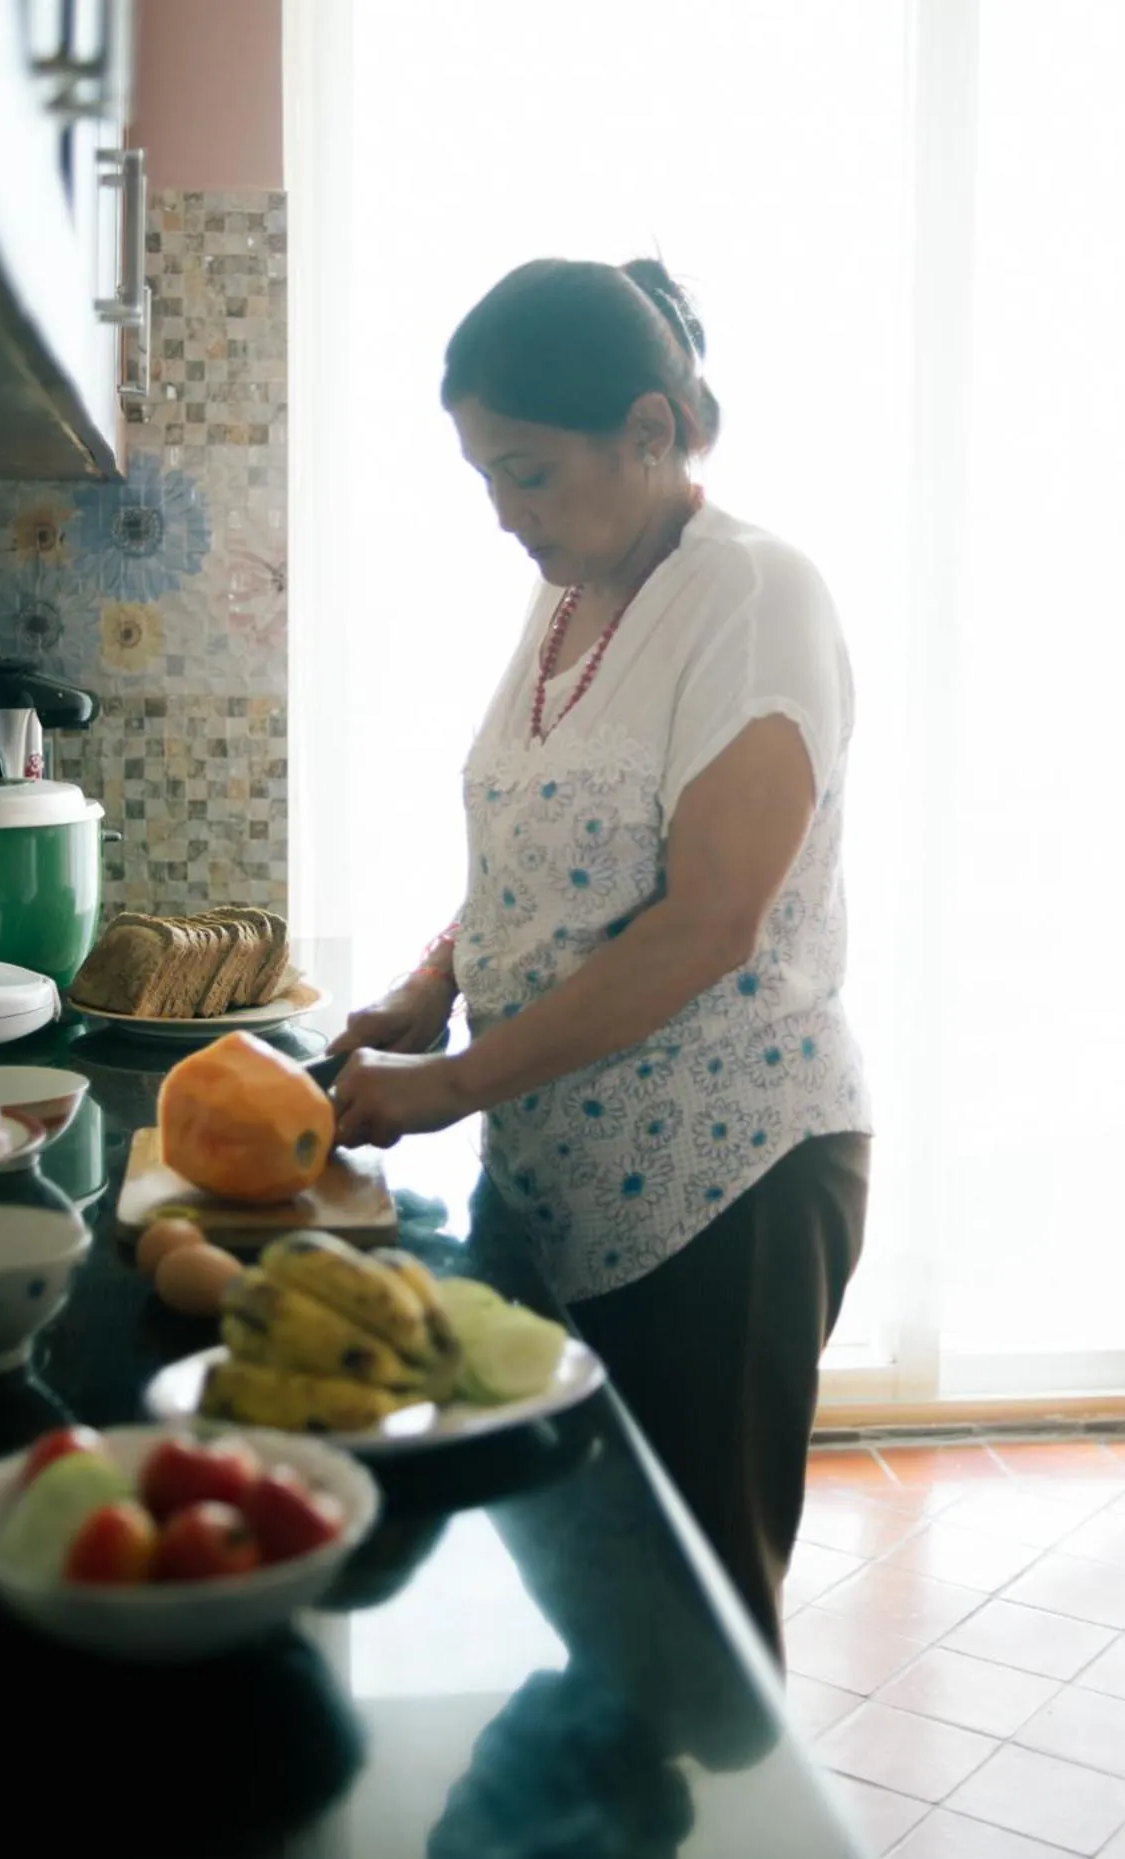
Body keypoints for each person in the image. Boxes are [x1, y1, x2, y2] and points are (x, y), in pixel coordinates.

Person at [330, 256, 871, 1660]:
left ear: (647, 431)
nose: (506, 518)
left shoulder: (752, 597)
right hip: (560, 1166)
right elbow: (535, 852)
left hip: (725, 1190)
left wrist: (449, 1085)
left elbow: (706, 921)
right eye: (486, 484)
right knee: (574, 1582)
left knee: (688, 1620)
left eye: (528, 475)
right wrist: (428, 980)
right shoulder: (574, 589)